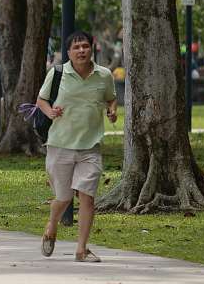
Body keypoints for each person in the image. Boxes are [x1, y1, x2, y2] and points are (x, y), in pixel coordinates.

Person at [37, 30, 117, 262]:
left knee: (87, 197)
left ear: (92, 48)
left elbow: (111, 97)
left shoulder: (104, 75)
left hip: (90, 146)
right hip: (60, 144)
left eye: (85, 46)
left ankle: (81, 249)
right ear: (69, 53)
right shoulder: (59, 73)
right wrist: (50, 111)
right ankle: (52, 225)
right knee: (62, 197)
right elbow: (41, 100)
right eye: (76, 47)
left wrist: (112, 110)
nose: (81, 50)